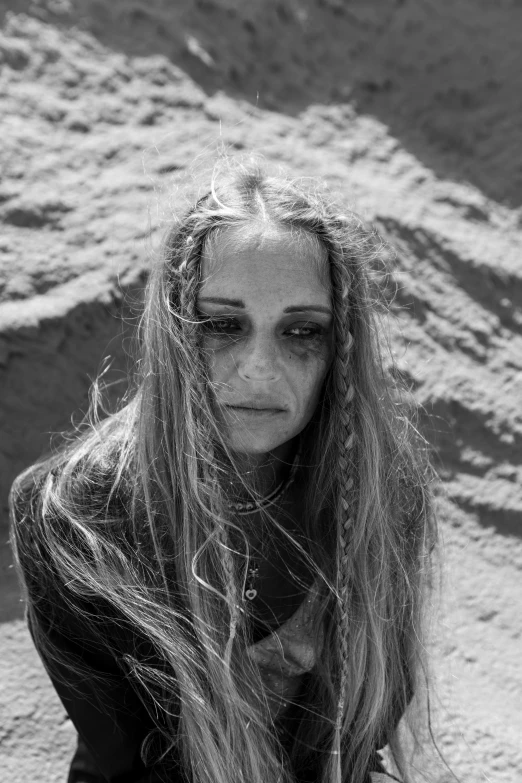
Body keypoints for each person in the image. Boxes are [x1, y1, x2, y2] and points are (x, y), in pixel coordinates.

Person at [10, 162, 437, 783]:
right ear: (176, 331)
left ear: (340, 348)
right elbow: (127, 758)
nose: (259, 370)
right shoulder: (77, 515)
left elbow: (360, 736)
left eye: (301, 331)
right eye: (221, 325)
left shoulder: (381, 488)